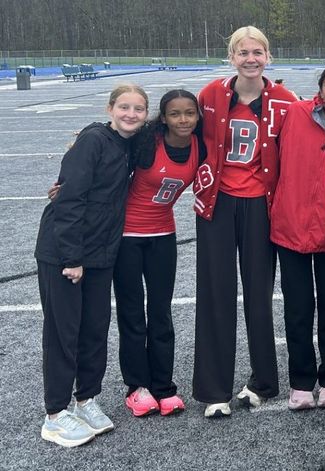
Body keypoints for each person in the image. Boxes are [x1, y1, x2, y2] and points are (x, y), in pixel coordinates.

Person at [192, 25, 296, 418]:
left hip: (261, 206)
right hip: (217, 204)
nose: (251, 59)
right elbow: (180, 134)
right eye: (243, 52)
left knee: (259, 296)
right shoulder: (211, 95)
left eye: (258, 52)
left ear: (268, 56)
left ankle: (263, 381)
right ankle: (214, 390)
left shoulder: (285, 100)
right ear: (231, 57)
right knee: (215, 294)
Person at [36, 84, 148, 447]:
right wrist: (72, 258)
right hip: (65, 254)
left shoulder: (130, 145)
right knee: (63, 332)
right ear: (111, 108)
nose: (131, 114)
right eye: (125, 107)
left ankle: (86, 400)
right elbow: (69, 200)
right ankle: (55, 414)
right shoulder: (94, 140)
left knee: (94, 330)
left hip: (101, 254)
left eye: (139, 109)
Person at [270, 64, 325, 410]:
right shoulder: (295, 113)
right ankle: (301, 382)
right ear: (320, 89)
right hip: (290, 225)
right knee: (297, 309)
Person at [113, 90, 203, 417]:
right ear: (163, 118)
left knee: (161, 314)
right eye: (175, 114)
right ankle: (137, 387)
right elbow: (107, 152)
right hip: (127, 238)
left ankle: (164, 386)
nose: (183, 120)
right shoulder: (146, 142)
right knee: (133, 314)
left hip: (163, 236)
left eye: (189, 113)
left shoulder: (200, 145)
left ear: (197, 116)